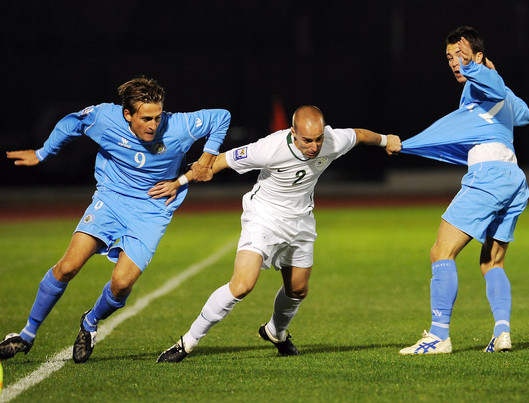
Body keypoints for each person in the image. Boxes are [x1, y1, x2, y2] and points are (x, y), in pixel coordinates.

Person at [0, 77, 230, 363]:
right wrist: (43, 152)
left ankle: (90, 323)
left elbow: (221, 117)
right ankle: (26, 334)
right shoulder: (104, 117)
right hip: (111, 199)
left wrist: (206, 158)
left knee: (121, 284)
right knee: (69, 266)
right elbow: (72, 123)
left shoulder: (180, 125)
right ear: (127, 115)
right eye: (146, 118)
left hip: (152, 210)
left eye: (158, 117)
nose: (153, 125)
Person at [150, 105, 401, 362]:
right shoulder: (270, 148)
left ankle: (275, 332)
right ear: (293, 133)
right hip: (264, 218)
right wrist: (178, 182)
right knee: (242, 285)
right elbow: (222, 159)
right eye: (307, 140)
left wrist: (385, 140)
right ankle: (187, 342)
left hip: (301, 220)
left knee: (298, 290)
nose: (314, 147)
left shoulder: (333, 140)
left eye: (318, 139)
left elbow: (359, 134)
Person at [398, 26, 529, 354]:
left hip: (488, 177)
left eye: (462, 56)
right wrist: (489, 77)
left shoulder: (481, 84)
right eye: (450, 58)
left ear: (480, 57)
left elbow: (496, 85)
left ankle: (438, 335)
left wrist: (478, 70)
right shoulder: (493, 94)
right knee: (492, 263)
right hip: (513, 178)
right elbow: (525, 115)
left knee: (441, 252)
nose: (456, 63)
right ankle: (502, 333)